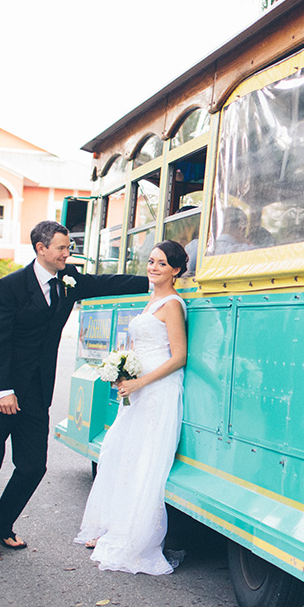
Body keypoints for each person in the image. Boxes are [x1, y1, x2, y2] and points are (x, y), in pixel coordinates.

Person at [0, 221, 148, 559]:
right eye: (62, 248)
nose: (67, 254)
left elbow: (107, 282)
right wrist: (3, 390)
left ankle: (2, 523)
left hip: (36, 391)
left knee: (33, 466)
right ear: (41, 249)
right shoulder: (10, 286)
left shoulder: (69, 280)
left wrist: (156, 280)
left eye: (69, 247)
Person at [74, 240, 189, 575]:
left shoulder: (172, 304)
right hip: (139, 388)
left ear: (176, 270)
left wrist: (141, 382)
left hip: (159, 390)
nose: (153, 268)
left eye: (162, 263)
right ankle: (115, 526)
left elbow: (179, 357)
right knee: (120, 452)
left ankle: (133, 537)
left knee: (145, 461)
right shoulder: (151, 300)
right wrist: (124, 373)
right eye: (151, 261)